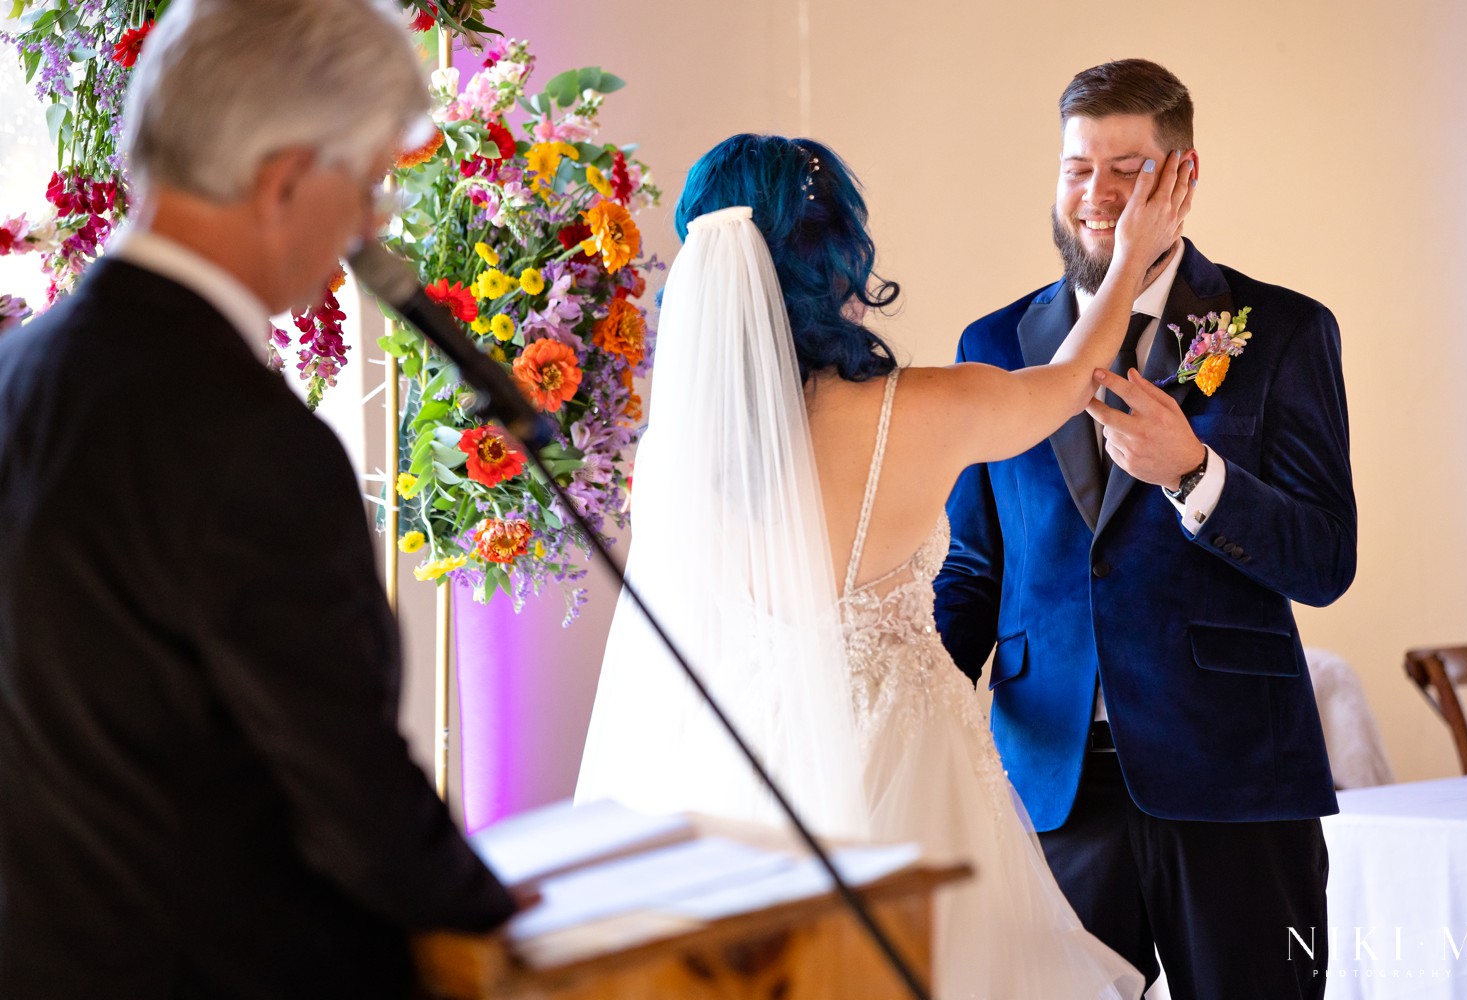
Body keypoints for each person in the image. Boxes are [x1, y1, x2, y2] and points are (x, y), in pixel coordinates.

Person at [576, 132, 1192, 998]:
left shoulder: (669, 461)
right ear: (838, 256)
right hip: (912, 775)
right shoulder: (925, 410)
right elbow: (1077, 376)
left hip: (751, 785)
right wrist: (1129, 256)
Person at [0, 1, 519, 996]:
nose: (370, 228)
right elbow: (346, 784)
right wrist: (470, 898)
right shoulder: (250, 441)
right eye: (367, 184)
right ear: (286, 180)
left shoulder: (15, 375)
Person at [934, 59, 1355, 998]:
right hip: (1052, 791)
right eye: (1078, 167)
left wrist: (1198, 477)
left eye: (1126, 169)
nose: (1098, 196)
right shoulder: (992, 349)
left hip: (1235, 784)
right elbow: (973, 568)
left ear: (1183, 177)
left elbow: (1326, 558)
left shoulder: (1282, 331)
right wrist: (900, 702)